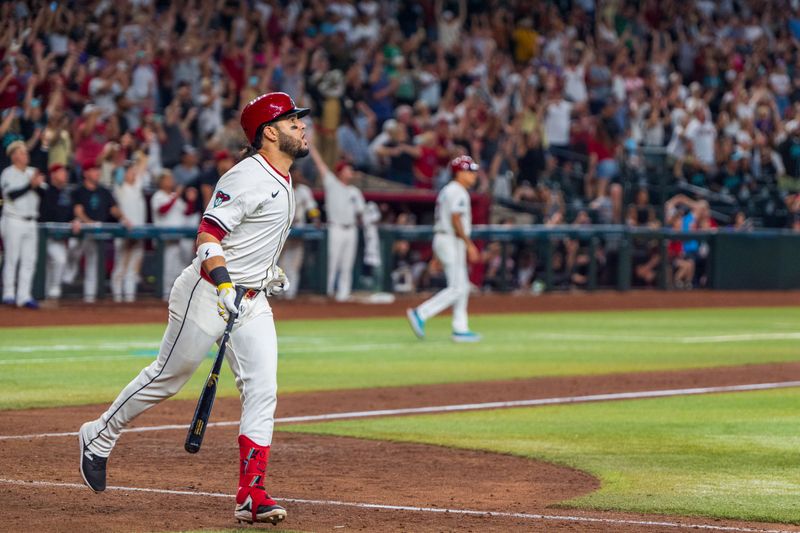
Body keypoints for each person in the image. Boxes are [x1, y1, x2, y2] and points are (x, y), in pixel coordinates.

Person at [78, 92, 310, 527]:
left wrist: (266, 271)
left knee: (263, 390)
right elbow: (208, 236)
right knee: (167, 378)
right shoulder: (246, 176)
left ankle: (251, 494)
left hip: (253, 301)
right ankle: (99, 434)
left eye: (300, 119)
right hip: (207, 292)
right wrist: (224, 286)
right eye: (293, 120)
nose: (301, 126)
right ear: (269, 132)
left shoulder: (282, 175)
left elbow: (249, 239)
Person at [406, 155, 481, 342]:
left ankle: (460, 328)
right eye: (469, 171)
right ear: (459, 173)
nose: (474, 175)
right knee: (457, 288)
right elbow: (455, 219)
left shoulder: (447, 190)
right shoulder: (458, 191)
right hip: (451, 239)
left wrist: (437, 255)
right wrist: (469, 244)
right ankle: (421, 313)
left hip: (444, 238)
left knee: (461, 287)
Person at [308, 146, 365, 302]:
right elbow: (321, 165)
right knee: (332, 262)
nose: (350, 172)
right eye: (347, 170)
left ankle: (343, 294)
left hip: (351, 229)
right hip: (336, 228)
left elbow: (361, 213)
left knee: (347, 264)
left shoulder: (355, 191)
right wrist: (312, 147)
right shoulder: (332, 184)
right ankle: (327, 292)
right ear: (340, 172)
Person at [72, 163, 132, 303]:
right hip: (80, 233)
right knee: (70, 259)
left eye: (98, 170)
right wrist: (88, 223)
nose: (97, 173)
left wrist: (123, 218)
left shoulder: (104, 191)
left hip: (97, 234)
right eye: (93, 169)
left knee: (93, 266)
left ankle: (89, 299)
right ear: (86, 173)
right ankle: (65, 282)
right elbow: (78, 211)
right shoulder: (79, 191)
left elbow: (113, 209)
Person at [0, 141, 44, 308]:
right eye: (22, 152)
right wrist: (31, 185)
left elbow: (44, 194)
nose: (26, 155)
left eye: (26, 152)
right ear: (14, 156)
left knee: (29, 260)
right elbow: (11, 195)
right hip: (13, 219)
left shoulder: (33, 172)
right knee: (12, 258)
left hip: (31, 220)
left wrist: (36, 185)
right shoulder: (7, 173)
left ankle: (24, 296)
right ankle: (8, 294)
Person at [110, 154, 148, 302]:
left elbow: (143, 163)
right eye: (130, 172)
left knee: (134, 267)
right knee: (121, 265)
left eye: (133, 171)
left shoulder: (137, 187)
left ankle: (129, 299)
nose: (133, 174)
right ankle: (117, 299)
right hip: (124, 231)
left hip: (139, 231)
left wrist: (140, 153)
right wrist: (121, 159)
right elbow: (116, 173)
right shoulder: (120, 188)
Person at [39, 163, 78, 300]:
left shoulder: (66, 193)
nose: (65, 175)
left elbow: (69, 213)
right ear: (53, 175)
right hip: (42, 235)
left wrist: (74, 220)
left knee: (58, 261)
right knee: (50, 264)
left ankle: (53, 291)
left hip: (58, 236)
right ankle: (48, 292)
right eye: (61, 172)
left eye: (65, 172)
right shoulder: (45, 191)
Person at [278, 170, 320, 299]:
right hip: (282, 231)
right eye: (297, 174)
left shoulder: (304, 190)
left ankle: (291, 293)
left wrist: (315, 219)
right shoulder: (282, 186)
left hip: (298, 230)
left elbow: (311, 208)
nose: (299, 177)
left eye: (300, 174)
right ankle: (279, 293)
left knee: (295, 263)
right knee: (281, 262)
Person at [150, 169, 189, 301]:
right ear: (160, 182)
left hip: (177, 239)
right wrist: (176, 196)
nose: (171, 181)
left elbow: (186, 212)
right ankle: (164, 295)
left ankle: (174, 296)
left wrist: (191, 201)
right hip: (164, 240)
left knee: (178, 268)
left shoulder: (174, 196)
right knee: (166, 268)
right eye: (167, 179)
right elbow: (163, 210)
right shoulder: (158, 196)